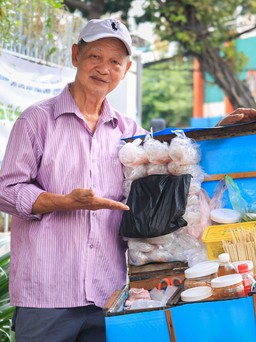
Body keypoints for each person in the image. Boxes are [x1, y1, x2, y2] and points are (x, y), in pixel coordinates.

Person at [0, 18, 147, 341]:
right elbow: (6, 190)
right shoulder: (36, 120)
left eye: (114, 62)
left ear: (126, 69)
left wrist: (217, 132)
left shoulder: (130, 132)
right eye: (95, 56)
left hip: (106, 292)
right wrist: (65, 202)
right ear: (75, 55)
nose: (103, 69)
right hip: (46, 296)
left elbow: (167, 164)